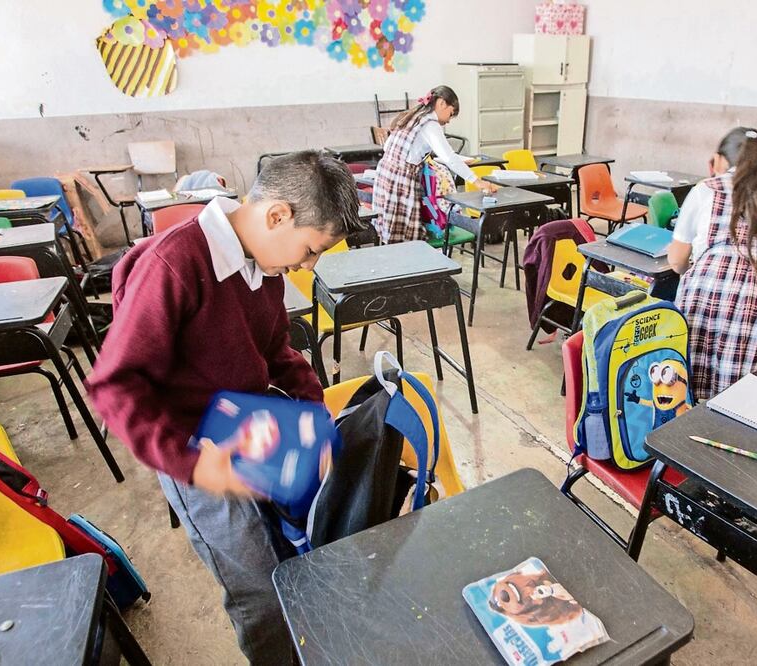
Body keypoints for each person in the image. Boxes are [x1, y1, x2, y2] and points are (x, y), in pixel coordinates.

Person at [86, 151, 361, 664]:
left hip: (252, 427)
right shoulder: (175, 264)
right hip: (196, 448)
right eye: (311, 249)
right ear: (277, 215)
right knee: (257, 587)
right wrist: (193, 465)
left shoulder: (264, 263)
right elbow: (115, 384)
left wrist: (313, 408)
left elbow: (275, 348)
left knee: (293, 550)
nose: (308, 265)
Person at [666, 127, 757, 400]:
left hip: (714, 289)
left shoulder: (708, 190)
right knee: (744, 389)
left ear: (719, 160)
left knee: (692, 370)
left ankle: (691, 416)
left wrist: (694, 267)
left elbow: (677, 261)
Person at [372, 85, 497, 244]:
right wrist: (477, 181)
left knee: (389, 226)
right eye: (451, 114)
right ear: (442, 103)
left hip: (385, 173)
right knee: (402, 232)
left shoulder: (413, 116)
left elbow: (387, 146)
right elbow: (449, 158)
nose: (448, 120)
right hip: (400, 178)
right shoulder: (430, 124)